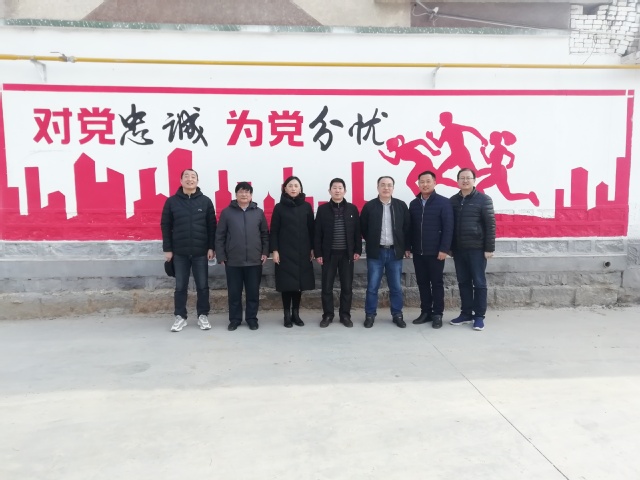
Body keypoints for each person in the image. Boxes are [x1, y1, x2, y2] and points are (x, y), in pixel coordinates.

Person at [160, 168, 216, 332]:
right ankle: (180, 317)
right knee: (180, 287)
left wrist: (211, 247)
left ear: (197, 181)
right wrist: (168, 249)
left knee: (202, 286)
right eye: (186, 176)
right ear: (181, 180)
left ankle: (203, 315)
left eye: (193, 177)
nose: (190, 179)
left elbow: (212, 226)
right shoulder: (172, 202)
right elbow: (165, 226)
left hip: (200, 252)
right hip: (179, 253)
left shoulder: (205, 201)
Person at [215, 182, 269, 331]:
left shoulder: (258, 212)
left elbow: (265, 234)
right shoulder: (227, 213)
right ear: (236, 194)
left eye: (247, 192)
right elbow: (220, 235)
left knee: (253, 293)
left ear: (251, 195)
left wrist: (265, 252)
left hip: (254, 260)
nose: (244, 194)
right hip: (233, 261)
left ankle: (252, 319)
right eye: (241, 192)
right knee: (234, 293)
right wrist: (221, 255)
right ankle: (235, 319)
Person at [449, 168, 496, 331]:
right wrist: (450, 247)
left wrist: (489, 248)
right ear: (457, 181)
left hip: (477, 249)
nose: (465, 181)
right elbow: (449, 226)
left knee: (479, 282)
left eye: (468, 178)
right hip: (459, 249)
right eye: (462, 178)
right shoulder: (453, 201)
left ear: (474, 180)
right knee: (463, 282)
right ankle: (466, 313)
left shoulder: (483, 199)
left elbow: (490, 225)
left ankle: (479, 316)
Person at [360, 176, 410, 328]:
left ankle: (397, 314)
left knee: (396, 287)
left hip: (395, 253)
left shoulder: (401, 206)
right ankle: (370, 315)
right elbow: (363, 228)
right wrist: (373, 242)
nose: (386, 188)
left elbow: (407, 228)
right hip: (376, 252)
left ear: (393, 188)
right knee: (372, 286)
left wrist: (406, 247)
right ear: (378, 187)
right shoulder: (369, 206)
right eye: (383, 185)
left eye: (389, 185)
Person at [314, 178, 362, 328]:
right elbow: (317, 233)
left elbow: (357, 232)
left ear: (345, 191)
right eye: (334, 188)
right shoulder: (322, 210)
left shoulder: (352, 209)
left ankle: (345, 315)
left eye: (340, 188)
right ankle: (328, 315)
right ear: (329, 191)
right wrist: (318, 253)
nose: (337, 190)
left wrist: (357, 250)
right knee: (326, 287)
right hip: (328, 255)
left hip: (347, 255)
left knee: (347, 287)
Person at [409, 170, 453, 329]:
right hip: (418, 252)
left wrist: (444, 249)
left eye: (428, 181)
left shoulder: (443, 202)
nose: (425, 184)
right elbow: (410, 228)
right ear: (418, 184)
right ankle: (425, 312)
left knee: (437, 283)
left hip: (436, 253)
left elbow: (448, 228)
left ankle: (437, 314)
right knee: (422, 283)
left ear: (435, 183)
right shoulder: (414, 204)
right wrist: (408, 247)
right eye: (422, 182)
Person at [270, 176, 315, 328]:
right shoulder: (279, 207)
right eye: (290, 185)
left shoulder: (306, 207)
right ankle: (286, 314)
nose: (293, 188)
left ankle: (296, 313)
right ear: (285, 188)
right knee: (286, 284)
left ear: (300, 188)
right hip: (285, 251)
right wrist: (275, 250)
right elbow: (274, 231)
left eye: (296, 185)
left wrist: (312, 248)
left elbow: (312, 229)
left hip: (303, 250)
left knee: (299, 284)